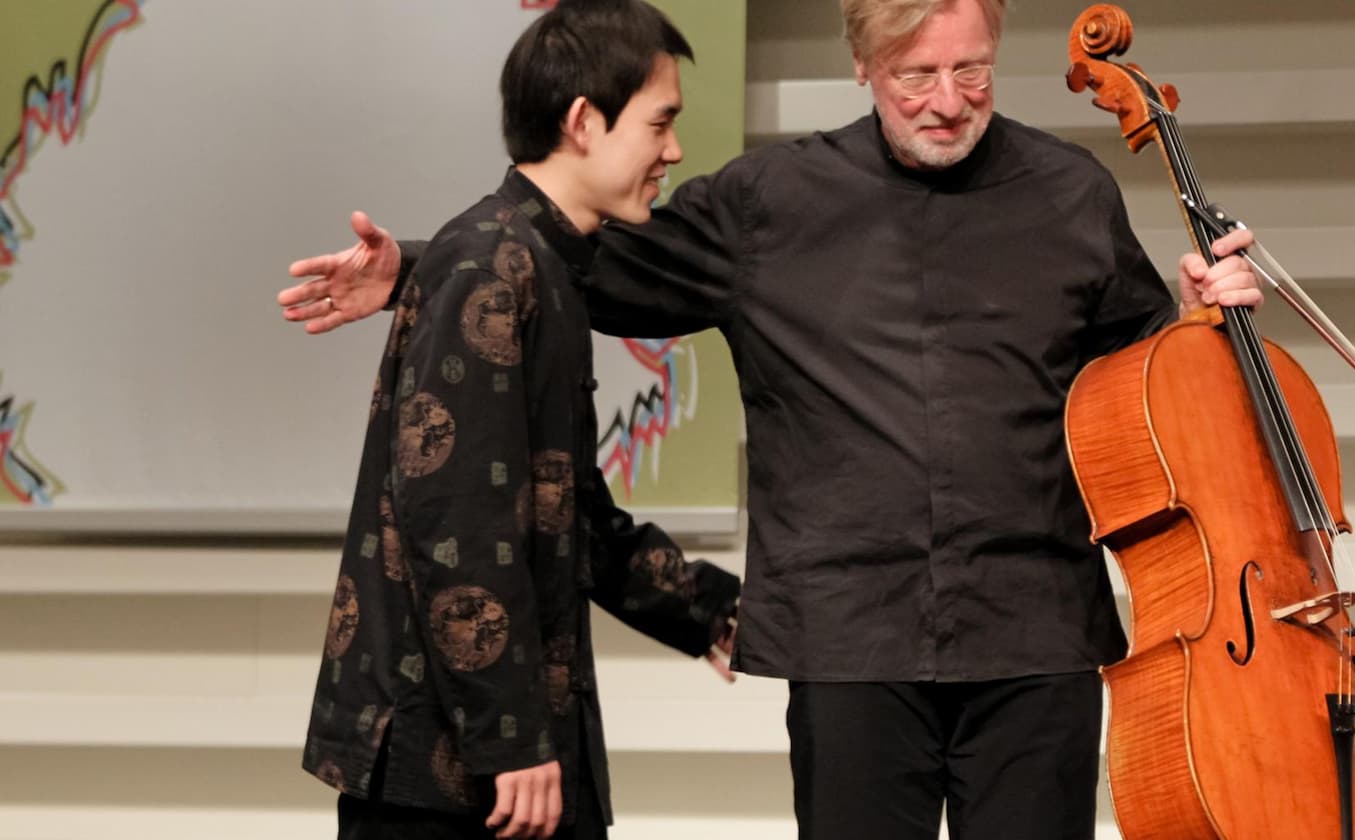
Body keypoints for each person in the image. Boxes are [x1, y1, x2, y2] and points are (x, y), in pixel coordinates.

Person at [280, 1, 1262, 837]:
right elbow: (581, 261)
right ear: (864, 66)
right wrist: (420, 263)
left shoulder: (1072, 193)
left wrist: (1204, 316)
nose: (951, 100)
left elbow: (1152, 388)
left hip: (1036, 632)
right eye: (918, 75)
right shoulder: (768, 201)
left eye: (974, 70)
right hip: (848, 643)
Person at [295, 3, 741, 839]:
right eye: (661, 122)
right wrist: (511, 741)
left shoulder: (544, 265)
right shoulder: (490, 267)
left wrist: (708, 609)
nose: (674, 151)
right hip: (453, 767)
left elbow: (567, 507)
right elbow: (455, 520)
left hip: (499, 752)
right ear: (582, 121)